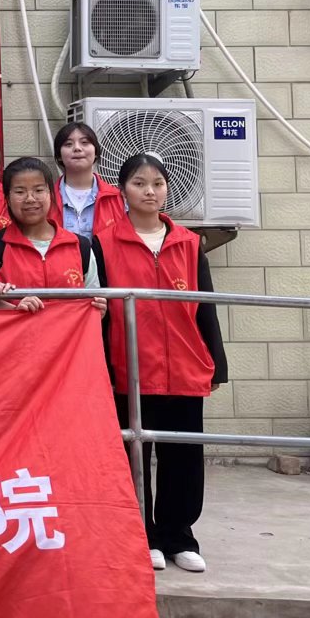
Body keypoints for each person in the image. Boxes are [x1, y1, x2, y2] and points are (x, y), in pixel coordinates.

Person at [95, 153, 227, 576]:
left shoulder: (188, 242)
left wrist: (216, 364)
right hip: (131, 368)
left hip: (185, 366)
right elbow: (102, 315)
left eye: (156, 183)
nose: (148, 191)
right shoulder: (103, 243)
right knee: (134, 456)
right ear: (122, 190)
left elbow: (206, 307)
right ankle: (144, 537)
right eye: (138, 183)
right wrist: (102, 368)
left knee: (183, 458)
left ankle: (179, 537)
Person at [0, 156, 107, 315]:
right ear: (7, 199)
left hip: (70, 332)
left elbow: (93, 300)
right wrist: (15, 310)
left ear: (51, 194)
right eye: (20, 192)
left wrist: (99, 309)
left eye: (39, 190)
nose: (30, 198)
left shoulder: (80, 245)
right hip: (17, 332)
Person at [53, 121, 125, 238]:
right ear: (59, 155)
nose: (77, 148)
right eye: (68, 144)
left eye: (85, 142)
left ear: (96, 152)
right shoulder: (47, 199)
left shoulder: (119, 199)